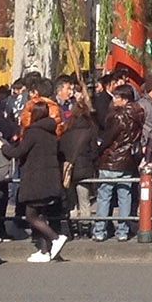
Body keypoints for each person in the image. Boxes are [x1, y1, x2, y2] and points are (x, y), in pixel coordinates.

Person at [0, 101, 66, 262]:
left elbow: (18, 152)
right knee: (40, 214)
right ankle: (44, 251)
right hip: (49, 178)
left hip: (36, 179)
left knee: (31, 215)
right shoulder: (51, 132)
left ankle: (55, 238)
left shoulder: (32, 132)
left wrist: (1, 145)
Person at [93, 83, 144, 241]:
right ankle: (122, 231)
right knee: (125, 196)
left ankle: (100, 231)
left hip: (112, 158)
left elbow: (109, 137)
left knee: (104, 195)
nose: (114, 100)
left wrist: (99, 150)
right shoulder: (139, 113)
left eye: (116, 97)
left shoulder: (119, 116)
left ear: (124, 99)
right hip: (128, 159)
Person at [60, 88, 101, 233]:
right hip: (84, 169)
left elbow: (62, 149)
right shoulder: (90, 129)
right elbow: (94, 151)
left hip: (69, 170)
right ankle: (85, 228)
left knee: (72, 202)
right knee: (84, 201)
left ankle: (73, 229)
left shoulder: (66, 129)